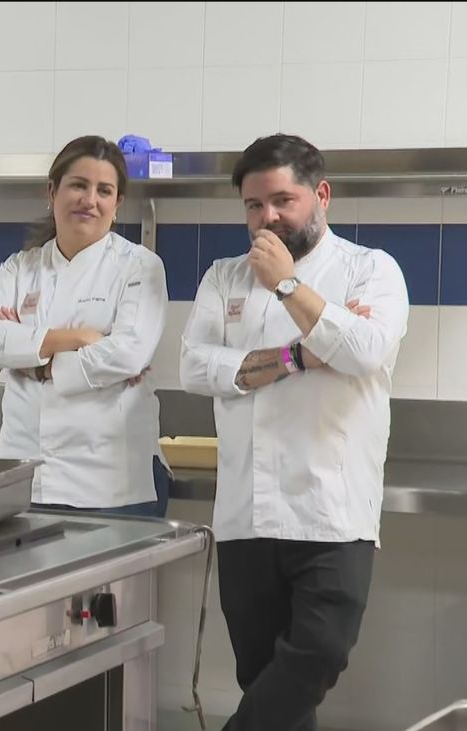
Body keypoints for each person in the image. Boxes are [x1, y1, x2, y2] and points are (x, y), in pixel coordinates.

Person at [179, 133, 409, 731]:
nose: (268, 217)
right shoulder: (223, 278)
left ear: (322, 195)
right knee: (266, 684)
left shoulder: (371, 270)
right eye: (254, 206)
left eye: (283, 200)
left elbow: (364, 349)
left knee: (317, 657)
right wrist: (298, 357)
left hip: (331, 511)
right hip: (245, 514)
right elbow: (193, 367)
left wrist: (286, 285)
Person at [0, 135, 170, 517]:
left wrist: (31, 359)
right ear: (52, 191)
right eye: (78, 185)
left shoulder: (139, 267)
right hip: (24, 474)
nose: (89, 199)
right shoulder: (20, 267)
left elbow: (127, 354)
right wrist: (79, 339)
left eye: (104, 190)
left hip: (112, 484)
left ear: (117, 204)